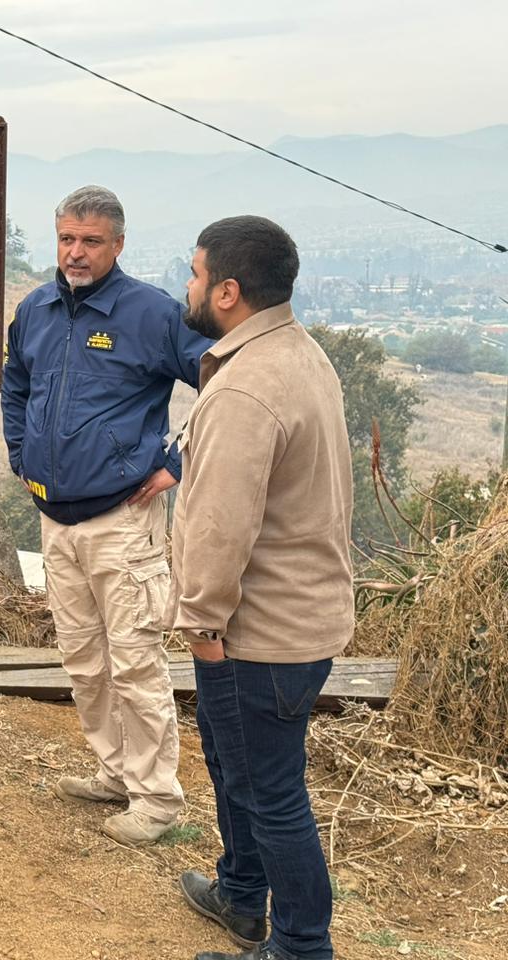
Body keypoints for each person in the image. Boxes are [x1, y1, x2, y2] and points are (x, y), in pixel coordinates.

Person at [0, 185, 213, 844]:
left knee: (135, 662)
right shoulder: (35, 309)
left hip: (125, 519)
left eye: (90, 240)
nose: (76, 251)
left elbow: (227, 384)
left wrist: (176, 462)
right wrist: (20, 453)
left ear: (118, 244)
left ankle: (156, 799)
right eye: (67, 238)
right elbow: (17, 385)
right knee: (84, 663)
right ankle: (116, 772)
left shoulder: (151, 313)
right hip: (55, 518)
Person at [173, 216, 352, 960]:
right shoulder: (299, 353)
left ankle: (301, 947)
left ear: (227, 291)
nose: (186, 285)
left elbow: (221, 527)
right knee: (234, 765)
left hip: (258, 634)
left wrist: (203, 626)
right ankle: (242, 895)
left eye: (193, 273)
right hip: (297, 621)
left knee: (273, 793)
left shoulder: (246, 388)